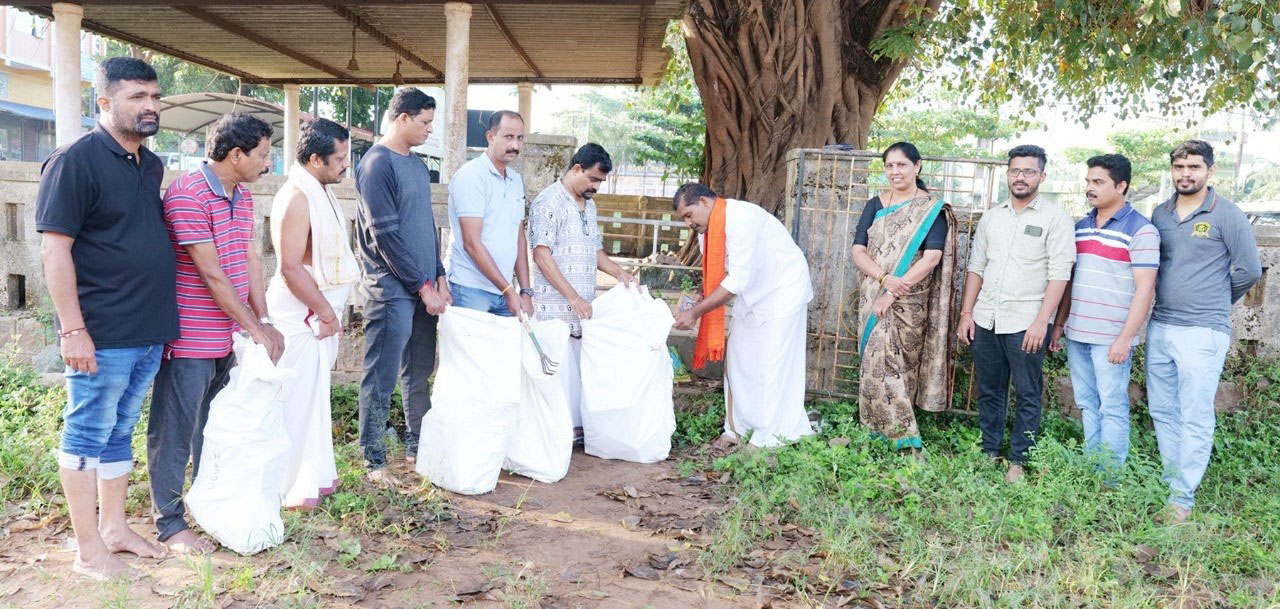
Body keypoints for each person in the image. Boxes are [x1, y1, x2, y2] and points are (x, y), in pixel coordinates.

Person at [35, 57, 177, 580]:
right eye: (137, 96)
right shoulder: (75, 161)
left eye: (155, 96)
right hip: (101, 330)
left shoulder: (150, 164)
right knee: (87, 432)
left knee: (120, 430)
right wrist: (73, 330)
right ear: (104, 102)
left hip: (148, 328)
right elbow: (55, 252)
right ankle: (87, 549)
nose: (150, 106)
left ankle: (114, 529)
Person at [148, 113, 284, 554]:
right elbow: (211, 274)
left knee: (213, 428)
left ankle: (208, 507)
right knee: (175, 431)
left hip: (228, 337)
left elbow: (250, 259)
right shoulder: (188, 193)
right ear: (236, 154)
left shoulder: (241, 196)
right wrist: (256, 330)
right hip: (190, 338)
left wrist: (263, 320)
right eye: (263, 154)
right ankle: (170, 523)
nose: (268, 163)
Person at [1146, 140, 1261, 522]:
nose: (1185, 174)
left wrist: (1214, 300)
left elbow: (1249, 270)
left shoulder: (1227, 214)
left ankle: (1182, 500)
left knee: (1194, 414)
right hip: (1161, 325)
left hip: (1202, 331)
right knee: (1163, 410)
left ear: (1210, 171)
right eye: (1179, 167)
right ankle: (1172, 483)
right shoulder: (1160, 213)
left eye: (1194, 167)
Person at [957, 145, 1074, 482]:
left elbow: (1060, 274)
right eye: (1015, 171)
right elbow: (976, 266)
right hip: (986, 318)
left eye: (1029, 171)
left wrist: (1043, 322)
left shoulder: (1055, 219)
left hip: (1026, 321)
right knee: (989, 389)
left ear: (1042, 176)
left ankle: (1019, 460)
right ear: (1008, 174)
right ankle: (990, 451)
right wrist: (967, 312)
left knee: (1027, 392)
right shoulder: (992, 217)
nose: (1021, 177)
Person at [353, 88, 451, 486]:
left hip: (424, 284)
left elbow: (425, 226)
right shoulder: (377, 164)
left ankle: (417, 445)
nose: (430, 130)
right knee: (382, 375)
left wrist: (438, 274)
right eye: (425, 122)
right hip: (391, 287)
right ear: (403, 118)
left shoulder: (417, 166)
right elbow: (386, 237)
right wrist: (422, 285)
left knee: (419, 371)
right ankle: (374, 459)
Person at [671, 184, 814, 448]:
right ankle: (735, 429)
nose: (688, 223)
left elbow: (736, 280)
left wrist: (695, 313)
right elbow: (718, 276)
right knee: (738, 359)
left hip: (783, 289)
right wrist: (700, 297)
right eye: (684, 219)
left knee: (771, 362)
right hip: (752, 293)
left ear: (704, 201)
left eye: (688, 215)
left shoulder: (741, 218)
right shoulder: (705, 232)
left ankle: (768, 437)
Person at [268, 119, 360, 507]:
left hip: (317, 311)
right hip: (300, 313)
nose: (346, 165)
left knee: (312, 400)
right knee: (293, 400)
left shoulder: (319, 191)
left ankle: (310, 479)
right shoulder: (296, 197)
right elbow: (290, 268)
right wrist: (324, 312)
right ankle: (283, 486)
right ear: (315, 159)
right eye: (339, 159)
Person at [1050, 154, 1159, 474]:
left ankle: (1109, 477)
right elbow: (1070, 281)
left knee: (1112, 406)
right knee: (1086, 403)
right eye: (1088, 181)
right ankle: (1092, 466)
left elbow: (1145, 289)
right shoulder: (1080, 228)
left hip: (1111, 337)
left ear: (1121, 186)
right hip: (1078, 333)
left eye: (1098, 182)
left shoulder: (1141, 230)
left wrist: (1126, 338)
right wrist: (1060, 324)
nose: (1089, 187)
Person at [849, 142, 956, 454]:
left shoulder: (931, 210)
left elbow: (932, 258)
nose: (895, 171)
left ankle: (902, 433)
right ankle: (875, 429)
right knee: (874, 362)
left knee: (898, 364)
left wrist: (894, 292)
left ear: (917, 166)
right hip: (874, 294)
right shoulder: (875, 204)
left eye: (901, 165)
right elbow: (858, 250)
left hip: (909, 300)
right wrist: (884, 279)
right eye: (889, 166)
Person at [528, 143, 637, 438]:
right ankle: (554, 435)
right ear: (576, 169)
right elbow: (541, 255)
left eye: (600, 181)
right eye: (593, 179)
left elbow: (594, 250)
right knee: (557, 374)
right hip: (555, 309)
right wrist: (572, 297)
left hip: (583, 310)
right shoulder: (548, 202)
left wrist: (620, 274)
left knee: (577, 375)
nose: (596, 187)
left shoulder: (590, 205)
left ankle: (573, 432)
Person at [447, 110, 533, 316]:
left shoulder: (515, 180)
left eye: (520, 138)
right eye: (508, 137)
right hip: (471, 289)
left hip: (505, 292)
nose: (515, 145)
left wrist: (525, 290)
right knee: (472, 340)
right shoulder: (472, 176)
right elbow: (471, 243)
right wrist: (508, 290)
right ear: (490, 137)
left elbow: (518, 237)